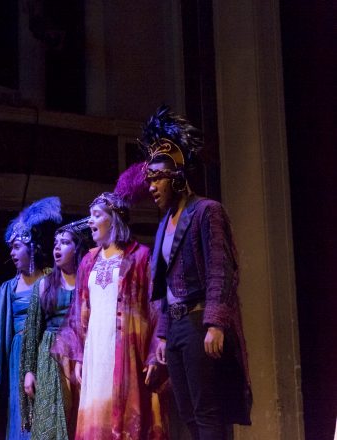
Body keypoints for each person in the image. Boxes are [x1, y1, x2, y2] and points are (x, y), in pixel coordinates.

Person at [141, 105, 252, 440]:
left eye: (157, 177)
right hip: (175, 325)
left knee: (207, 412)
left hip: (198, 319)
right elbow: (164, 285)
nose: (151, 186)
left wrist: (216, 323)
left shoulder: (207, 211)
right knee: (187, 412)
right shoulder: (162, 226)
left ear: (177, 176)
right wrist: (162, 332)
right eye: (149, 179)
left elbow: (222, 268)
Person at [51, 164, 166, 440]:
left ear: (113, 219)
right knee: (95, 416)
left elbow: (156, 307)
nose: (90, 222)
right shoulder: (88, 261)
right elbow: (79, 311)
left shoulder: (140, 257)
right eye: (90, 216)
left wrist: (153, 352)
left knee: (127, 418)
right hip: (95, 352)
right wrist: (78, 355)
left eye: (96, 215)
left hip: (127, 351)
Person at [0, 197, 63, 440]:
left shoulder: (50, 280)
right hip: (19, 353)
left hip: (46, 350)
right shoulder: (7, 289)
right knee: (20, 412)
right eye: (11, 248)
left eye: (16, 247)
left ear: (31, 248)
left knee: (47, 409)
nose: (12, 253)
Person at [19, 224, 88, 440]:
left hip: (81, 355)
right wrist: (29, 371)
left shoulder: (87, 283)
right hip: (50, 359)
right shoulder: (44, 285)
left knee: (79, 420)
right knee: (50, 421)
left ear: (77, 249)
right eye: (55, 244)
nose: (57, 248)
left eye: (65, 243)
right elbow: (32, 333)